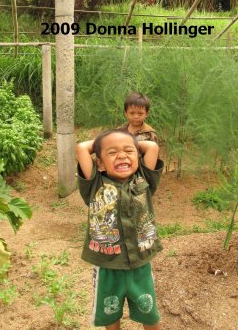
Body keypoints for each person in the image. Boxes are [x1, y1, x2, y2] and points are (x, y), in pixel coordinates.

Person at [76, 129, 164, 330]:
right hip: (107, 264)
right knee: (110, 316)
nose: (122, 155)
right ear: (99, 163)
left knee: (150, 315)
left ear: (137, 156)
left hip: (140, 262)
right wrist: (104, 143)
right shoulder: (94, 184)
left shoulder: (144, 179)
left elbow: (152, 147)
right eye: (112, 153)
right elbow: (82, 148)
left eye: (128, 151)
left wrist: (129, 141)